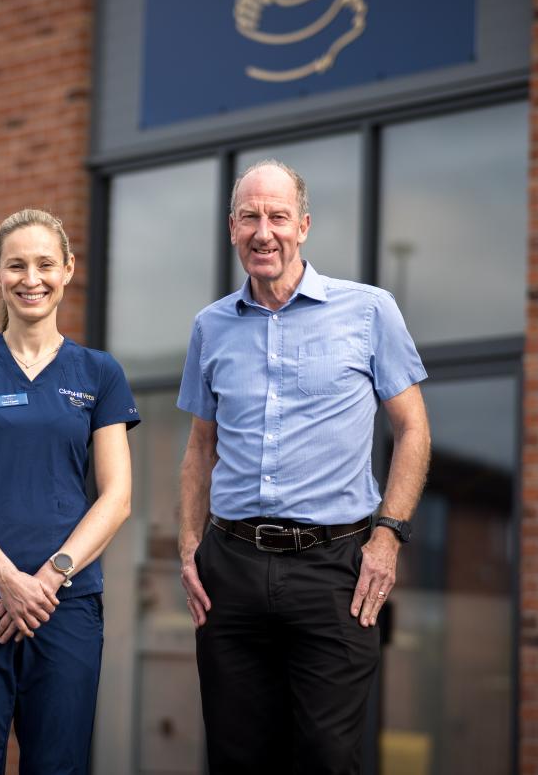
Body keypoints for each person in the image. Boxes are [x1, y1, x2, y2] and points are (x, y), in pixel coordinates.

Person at [177, 161, 431, 774]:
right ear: (231, 228)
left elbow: (413, 429)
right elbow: (199, 448)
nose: (264, 232)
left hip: (334, 570)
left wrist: (388, 538)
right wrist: (190, 546)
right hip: (230, 571)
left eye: (278, 217)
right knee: (237, 758)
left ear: (304, 226)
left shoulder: (370, 311)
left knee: (325, 756)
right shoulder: (210, 327)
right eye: (249, 217)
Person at [0, 208, 138, 774]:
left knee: (57, 766)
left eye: (45, 264)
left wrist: (45, 580)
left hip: (63, 608)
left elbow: (117, 498)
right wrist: (5, 578)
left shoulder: (99, 374)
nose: (31, 278)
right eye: (15, 265)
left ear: (68, 270)